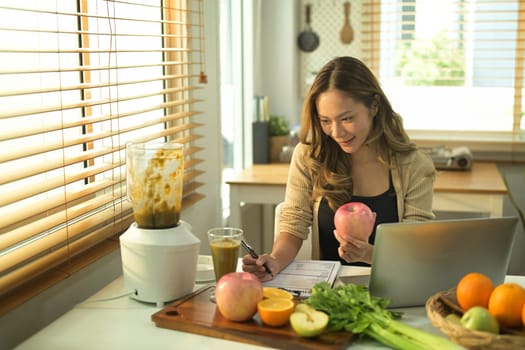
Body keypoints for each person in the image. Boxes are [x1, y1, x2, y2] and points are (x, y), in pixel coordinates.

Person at [242, 56, 436, 281]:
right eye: (325, 121)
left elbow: (414, 250)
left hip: (391, 289)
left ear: (374, 106)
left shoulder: (414, 166)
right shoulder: (308, 158)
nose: (336, 132)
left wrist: (370, 254)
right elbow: (293, 226)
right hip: (327, 295)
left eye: (347, 118)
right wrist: (274, 260)